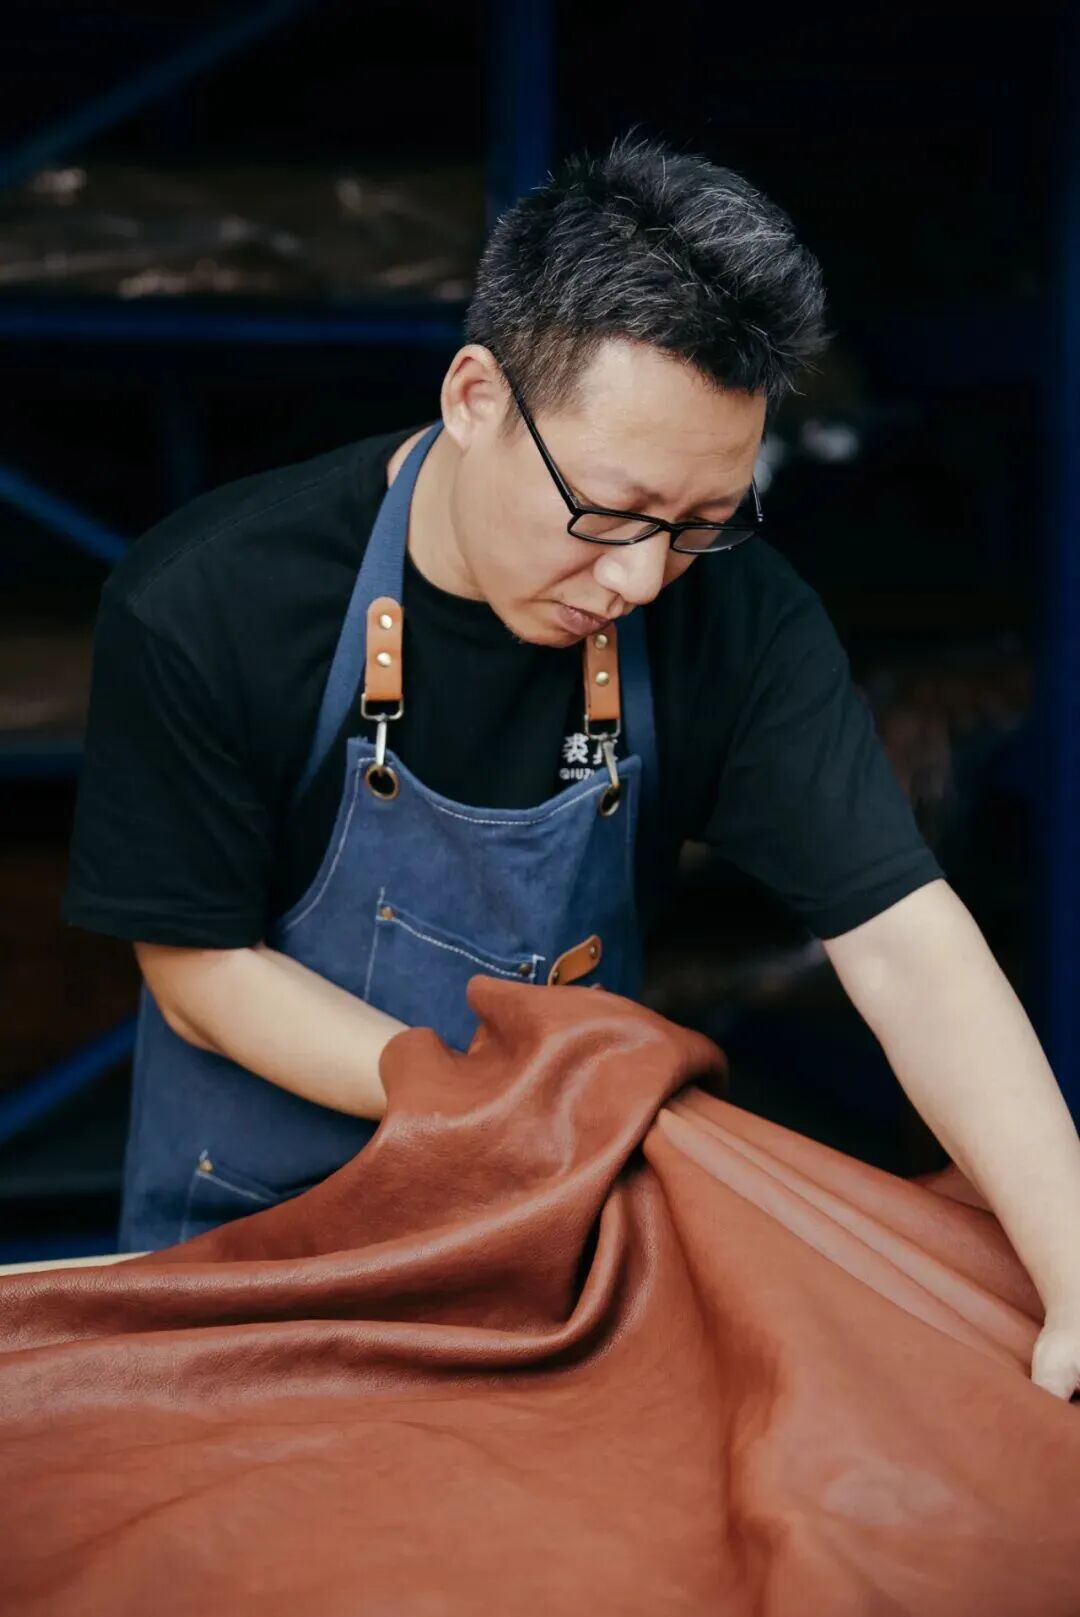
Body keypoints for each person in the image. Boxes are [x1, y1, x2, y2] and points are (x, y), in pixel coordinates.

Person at [64, 134, 1080, 1402]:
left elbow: (903, 940)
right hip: (254, 1262)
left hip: (555, 1254)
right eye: (609, 510)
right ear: (475, 398)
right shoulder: (210, 601)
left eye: (702, 523)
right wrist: (479, 1100)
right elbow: (198, 971)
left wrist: (1071, 1264)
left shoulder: (739, 622)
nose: (642, 576)